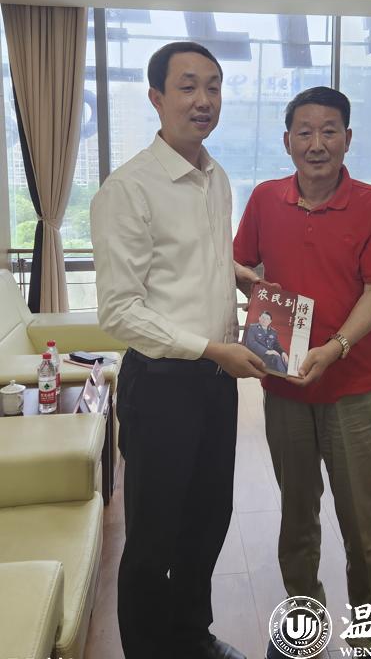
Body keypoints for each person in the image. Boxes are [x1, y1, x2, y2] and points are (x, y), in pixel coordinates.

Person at [90, 41, 265, 659]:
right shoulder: (128, 188)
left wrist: (239, 276)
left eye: (213, 86)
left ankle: (192, 636)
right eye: (188, 86)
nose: (203, 100)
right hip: (161, 383)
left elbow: (195, 261)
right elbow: (120, 310)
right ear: (156, 98)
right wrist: (212, 348)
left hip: (217, 382)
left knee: (208, 520)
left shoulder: (217, 178)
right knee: (153, 536)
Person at [233, 86, 371, 658]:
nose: (316, 143)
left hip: (353, 389)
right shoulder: (265, 198)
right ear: (287, 141)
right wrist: (255, 286)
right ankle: (303, 627)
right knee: (296, 517)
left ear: (347, 139)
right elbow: (237, 262)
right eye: (304, 132)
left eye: (329, 131)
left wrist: (335, 347)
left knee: (363, 526)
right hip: (285, 386)